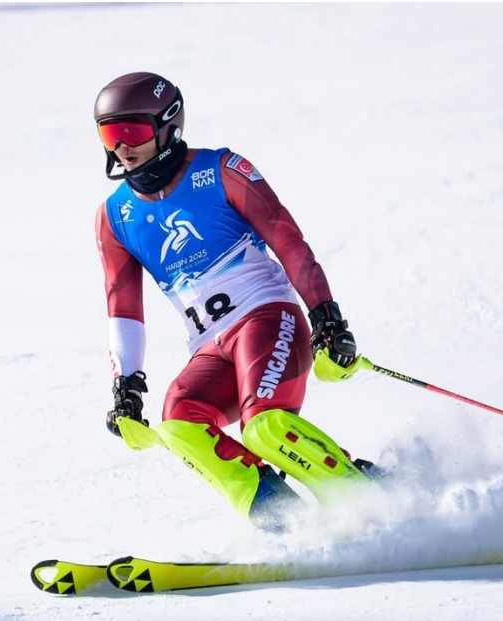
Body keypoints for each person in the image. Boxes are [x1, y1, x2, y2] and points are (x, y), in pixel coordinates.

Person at [94, 72, 374, 533]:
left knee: (264, 426)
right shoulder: (114, 216)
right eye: (110, 135)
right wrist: (127, 387)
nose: (122, 147)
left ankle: (368, 501)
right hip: (209, 345)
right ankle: (282, 520)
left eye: (134, 131)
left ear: (168, 125)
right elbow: (123, 307)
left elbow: (287, 240)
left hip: (267, 317)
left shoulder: (220, 170)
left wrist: (326, 316)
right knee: (179, 424)